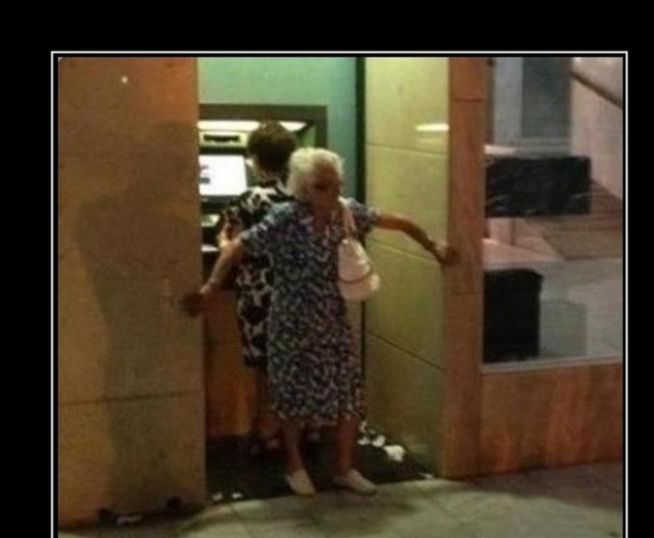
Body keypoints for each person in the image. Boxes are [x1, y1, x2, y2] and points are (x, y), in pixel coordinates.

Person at [185, 148, 456, 496]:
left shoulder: (346, 212)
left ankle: (344, 468)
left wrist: (433, 245)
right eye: (322, 186)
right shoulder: (285, 217)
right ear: (303, 189)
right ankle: (294, 465)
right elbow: (238, 246)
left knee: (347, 395)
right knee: (291, 397)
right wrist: (210, 288)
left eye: (336, 184)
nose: (332, 192)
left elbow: (398, 222)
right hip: (290, 322)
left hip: (332, 321)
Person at [189, 121, 297, 454]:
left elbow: (226, 238)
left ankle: (265, 431)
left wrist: (224, 247)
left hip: (258, 295)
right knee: (292, 362)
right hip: (297, 292)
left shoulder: (248, 199)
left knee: (264, 365)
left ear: (254, 159)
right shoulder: (301, 195)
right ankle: (300, 432)